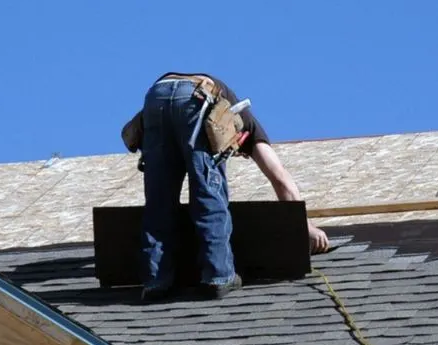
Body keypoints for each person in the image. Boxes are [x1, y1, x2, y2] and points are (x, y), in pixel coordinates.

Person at [128, 72, 329, 301]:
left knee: (159, 198)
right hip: (196, 97)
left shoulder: (229, 109)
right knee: (208, 189)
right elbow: (279, 177)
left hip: (156, 96)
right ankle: (218, 275)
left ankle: (156, 281)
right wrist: (305, 226)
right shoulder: (247, 125)